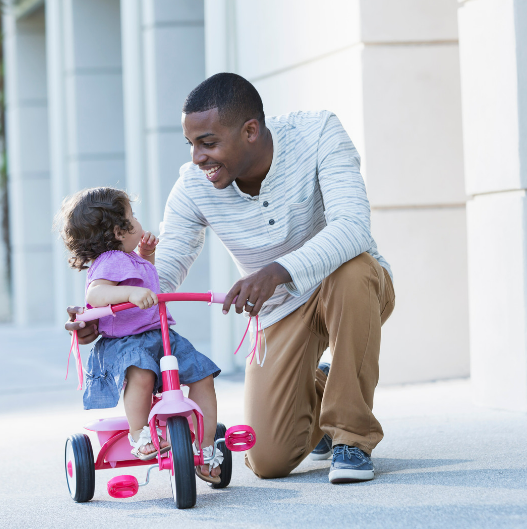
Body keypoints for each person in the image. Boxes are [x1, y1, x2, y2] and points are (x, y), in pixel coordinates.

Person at [67, 73, 395, 484]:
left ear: (251, 131)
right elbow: (160, 277)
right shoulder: (193, 186)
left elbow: (353, 228)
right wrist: (108, 314)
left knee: (354, 269)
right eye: (191, 144)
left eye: (208, 142)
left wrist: (275, 272)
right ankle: (324, 385)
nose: (197, 158)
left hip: (349, 287)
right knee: (269, 460)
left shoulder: (318, 133)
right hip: (279, 311)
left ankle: (352, 437)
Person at [56, 187, 223, 484]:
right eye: (133, 216)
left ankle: (206, 445)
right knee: (142, 375)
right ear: (120, 231)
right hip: (127, 343)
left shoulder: (130, 258)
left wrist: (147, 256)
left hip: (160, 335)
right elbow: (96, 293)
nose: (138, 220)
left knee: (202, 373)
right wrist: (130, 293)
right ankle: (139, 435)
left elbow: (146, 285)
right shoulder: (109, 259)